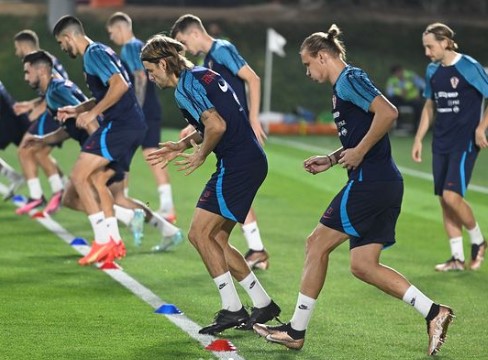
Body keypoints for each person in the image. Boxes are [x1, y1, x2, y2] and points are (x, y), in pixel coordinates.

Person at [252, 25, 454, 356]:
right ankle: (435, 312)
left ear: (322, 56)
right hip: (381, 183)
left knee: (315, 244)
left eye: (307, 64)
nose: (307, 71)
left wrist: (358, 152)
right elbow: (361, 133)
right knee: (363, 265)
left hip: (370, 183)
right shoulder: (341, 87)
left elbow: (388, 112)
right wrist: (332, 158)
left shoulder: (349, 79)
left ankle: (295, 331)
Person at [140, 34, 280, 334]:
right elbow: (212, 123)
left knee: (198, 234)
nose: (151, 78)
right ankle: (263, 304)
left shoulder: (184, 88)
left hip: (237, 164)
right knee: (215, 239)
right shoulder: (202, 75)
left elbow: (217, 125)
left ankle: (232, 309)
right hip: (248, 160)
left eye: (152, 71)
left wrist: (200, 154)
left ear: (165, 63)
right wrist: (184, 145)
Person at [171, 14, 270, 270]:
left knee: (233, 186)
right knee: (234, 189)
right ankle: (256, 249)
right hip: (227, 130)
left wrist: (254, 118)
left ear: (194, 33)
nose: (183, 49)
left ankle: (257, 249)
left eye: (182, 41)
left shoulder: (222, 49)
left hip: (238, 131)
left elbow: (253, 78)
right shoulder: (207, 60)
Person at [52, 15, 147, 265]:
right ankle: (114, 242)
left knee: (78, 177)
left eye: (62, 43)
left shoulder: (93, 53)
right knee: (96, 179)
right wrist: (78, 110)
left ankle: (103, 241)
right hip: (129, 125)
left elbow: (120, 86)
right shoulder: (98, 53)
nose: (63, 48)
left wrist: (92, 114)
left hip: (121, 126)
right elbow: (106, 93)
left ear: (69, 37)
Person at [412, 22, 488, 272]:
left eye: (430, 46)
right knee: (444, 201)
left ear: (445, 42)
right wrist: (419, 138)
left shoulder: (469, 66)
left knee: (451, 196)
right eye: (424, 47)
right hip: (441, 142)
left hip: (464, 141)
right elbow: (429, 105)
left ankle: (478, 240)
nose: (426, 52)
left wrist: (481, 128)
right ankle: (456, 257)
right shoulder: (432, 70)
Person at [106, 12, 177, 224]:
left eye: (111, 33)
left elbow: (140, 78)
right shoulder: (141, 46)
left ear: (120, 29)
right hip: (151, 108)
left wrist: (135, 106)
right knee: (151, 153)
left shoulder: (130, 47)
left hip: (141, 110)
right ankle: (167, 206)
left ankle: (121, 201)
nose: (111, 38)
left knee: (125, 154)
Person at [13, 29, 68, 215]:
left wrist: (38, 110)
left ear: (23, 45)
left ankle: (45, 194)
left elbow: (59, 89)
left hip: (55, 114)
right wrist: (30, 105)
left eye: (17, 47)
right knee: (39, 152)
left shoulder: (44, 63)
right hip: (54, 112)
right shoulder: (42, 61)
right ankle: (59, 189)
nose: (16, 52)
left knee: (27, 149)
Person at [0, 81, 29, 200]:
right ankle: (61, 184)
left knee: (38, 153)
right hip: (14, 119)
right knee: (38, 153)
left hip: (9, 122)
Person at [385, 64, 425, 133]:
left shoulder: (411, 76)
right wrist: (400, 93)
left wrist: (420, 94)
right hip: (400, 99)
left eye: (399, 71)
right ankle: (398, 124)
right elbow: (389, 92)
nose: (398, 74)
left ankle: (416, 127)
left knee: (418, 105)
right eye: (396, 73)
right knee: (392, 102)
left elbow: (422, 85)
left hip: (412, 98)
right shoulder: (392, 80)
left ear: (402, 70)